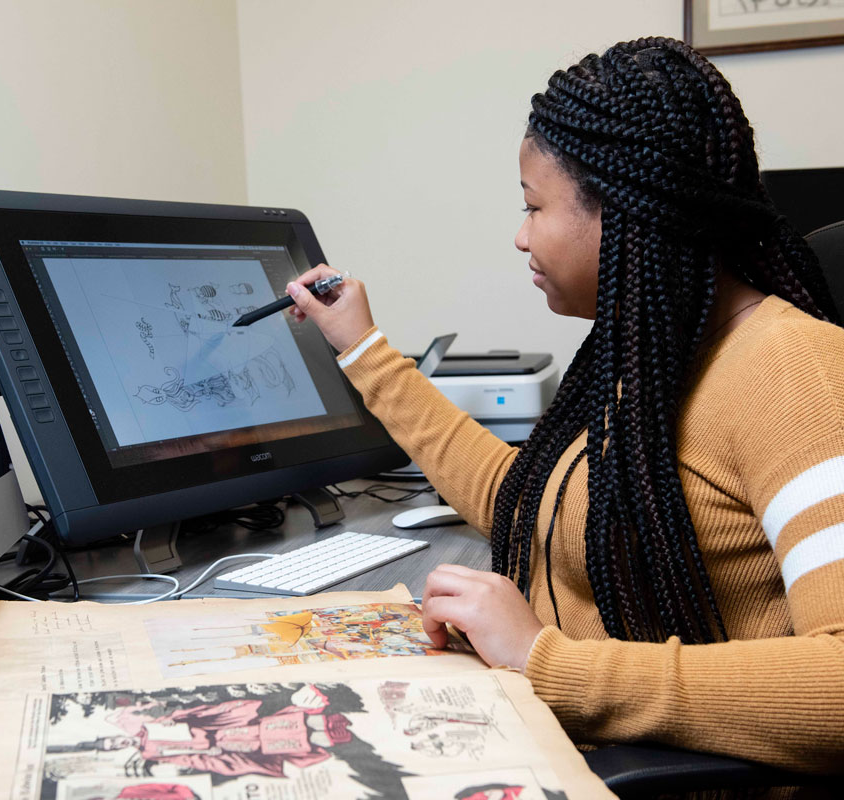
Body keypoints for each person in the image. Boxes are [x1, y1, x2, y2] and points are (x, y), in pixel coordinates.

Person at [284, 36, 844, 778]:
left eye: (533, 205)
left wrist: (544, 662)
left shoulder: (790, 367)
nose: (521, 236)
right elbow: (527, 503)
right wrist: (362, 347)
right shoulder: (653, 357)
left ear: (622, 209)